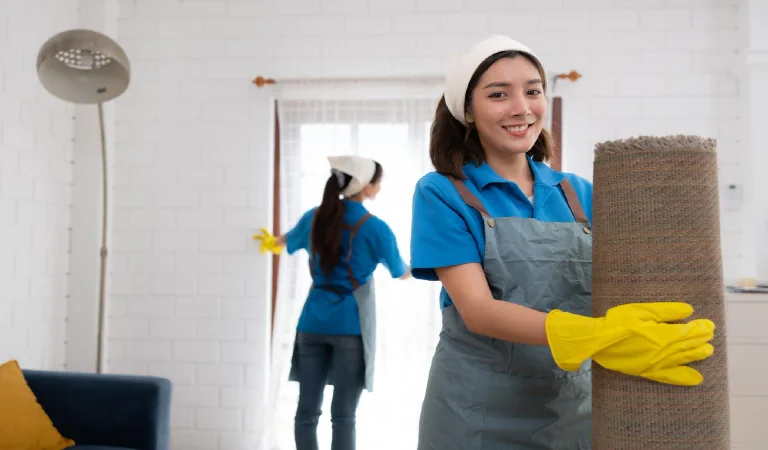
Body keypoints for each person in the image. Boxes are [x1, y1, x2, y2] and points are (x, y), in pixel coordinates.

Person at [409, 35, 716, 449]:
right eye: (499, 94)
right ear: (467, 110)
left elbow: (629, 287)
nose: (521, 107)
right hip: (475, 411)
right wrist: (594, 336)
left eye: (533, 91)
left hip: (572, 410)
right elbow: (478, 311)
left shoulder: (582, 193)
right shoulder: (443, 192)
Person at [255, 155, 410, 450]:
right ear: (365, 186)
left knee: (306, 413)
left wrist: (265, 241)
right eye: (378, 182)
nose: (379, 187)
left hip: (310, 325)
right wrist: (418, 266)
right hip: (350, 328)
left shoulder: (315, 216)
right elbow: (399, 271)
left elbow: (281, 242)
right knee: (343, 417)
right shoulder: (376, 228)